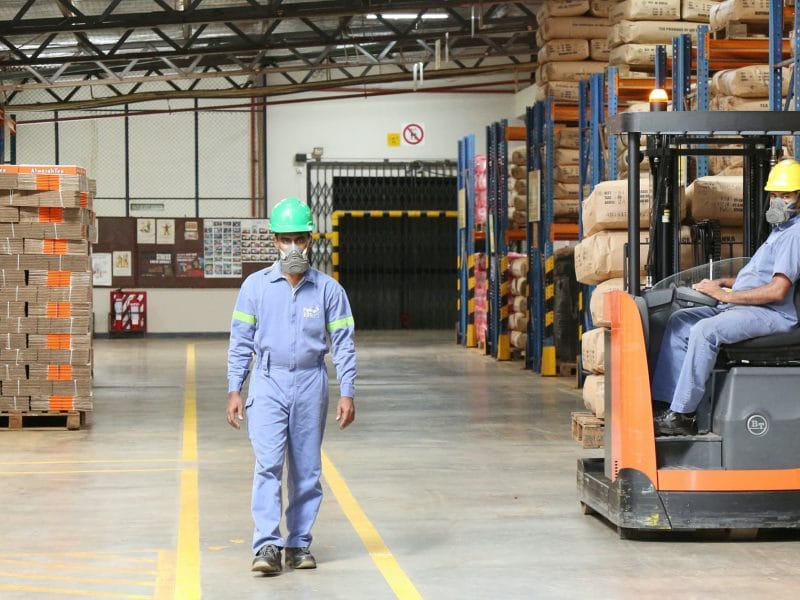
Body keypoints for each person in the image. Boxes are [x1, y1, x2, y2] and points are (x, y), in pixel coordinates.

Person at [226, 196, 356, 574]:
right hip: (267, 381)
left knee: (307, 468)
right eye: (285, 239)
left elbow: (344, 344)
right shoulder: (256, 287)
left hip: (311, 380)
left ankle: (299, 543)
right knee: (267, 464)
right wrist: (236, 388)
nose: (293, 247)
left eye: (299, 239)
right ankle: (267, 545)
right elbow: (241, 341)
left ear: (310, 241)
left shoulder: (329, 291)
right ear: (274, 242)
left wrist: (347, 391)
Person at [652, 158, 800, 436]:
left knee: (706, 331)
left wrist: (724, 296)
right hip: (751, 306)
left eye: (787, 195)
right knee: (680, 323)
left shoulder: (795, 235)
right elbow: (762, 276)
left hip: (774, 314)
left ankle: (683, 414)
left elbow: (778, 290)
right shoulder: (779, 231)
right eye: (775, 195)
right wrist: (726, 282)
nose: (778, 202)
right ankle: (665, 404)